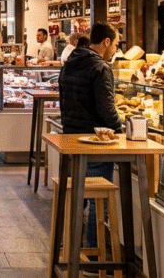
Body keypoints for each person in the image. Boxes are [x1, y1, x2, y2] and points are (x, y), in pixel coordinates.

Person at [59, 21, 122, 252]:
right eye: (115, 44)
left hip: (71, 139)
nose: (115, 48)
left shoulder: (69, 63)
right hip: (94, 141)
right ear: (106, 42)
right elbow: (107, 110)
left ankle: (71, 248)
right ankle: (95, 257)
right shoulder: (100, 67)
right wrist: (120, 129)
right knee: (98, 201)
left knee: (77, 197)